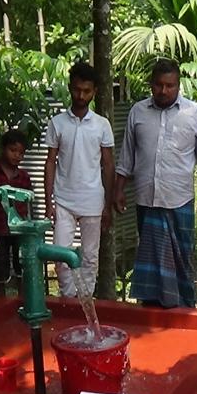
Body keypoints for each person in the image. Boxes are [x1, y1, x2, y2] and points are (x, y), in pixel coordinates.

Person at [113, 59, 197, 308]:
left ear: (178, 86)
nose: (164, 90)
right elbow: (127, 155)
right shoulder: (137, 112)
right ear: (151, 84)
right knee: (150, 262)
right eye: (159, 85)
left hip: (179, 200)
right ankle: (151, 312)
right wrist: (118, 189)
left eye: (170, 86)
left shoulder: (195, 113)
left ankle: (184, 311)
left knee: (182, 260)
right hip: (146, 201)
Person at [44, 62, 115, 298]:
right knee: (60, 255)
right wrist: (48, 202)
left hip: (93, 200)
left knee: (90, 257)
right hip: (63, 199)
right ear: (69, 88)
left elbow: (108, 165)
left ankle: (85, 301)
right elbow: (50, 162)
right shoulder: (57, 123)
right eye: (77, 90)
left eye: (86, 91)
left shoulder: (102, 125)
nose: (81, 95)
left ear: (94, 91)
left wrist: (108, 205)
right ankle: (68, 299)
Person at [0, 129, 33, 298]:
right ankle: (0, 304)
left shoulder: (24, 177)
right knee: (0, 268)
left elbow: (28, 204)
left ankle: (23, 302)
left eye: (21, 153)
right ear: (3, 148)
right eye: (13, 150)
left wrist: (29, 229)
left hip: (19, 229)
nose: (17, 155)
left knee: (21, 266)